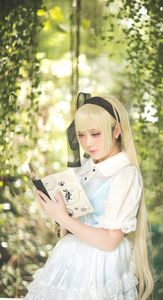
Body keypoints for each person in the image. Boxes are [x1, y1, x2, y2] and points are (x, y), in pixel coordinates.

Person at [24, 94, 153, 300]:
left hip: (100, 267)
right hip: (69, 262)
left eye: (95, 134)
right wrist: (61, 216)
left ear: (117, 130)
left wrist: (65, 219)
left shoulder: (125, 174)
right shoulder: (86, 168)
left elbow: (111, 241)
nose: (87, 143)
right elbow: (73, 226)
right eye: (81, 135)